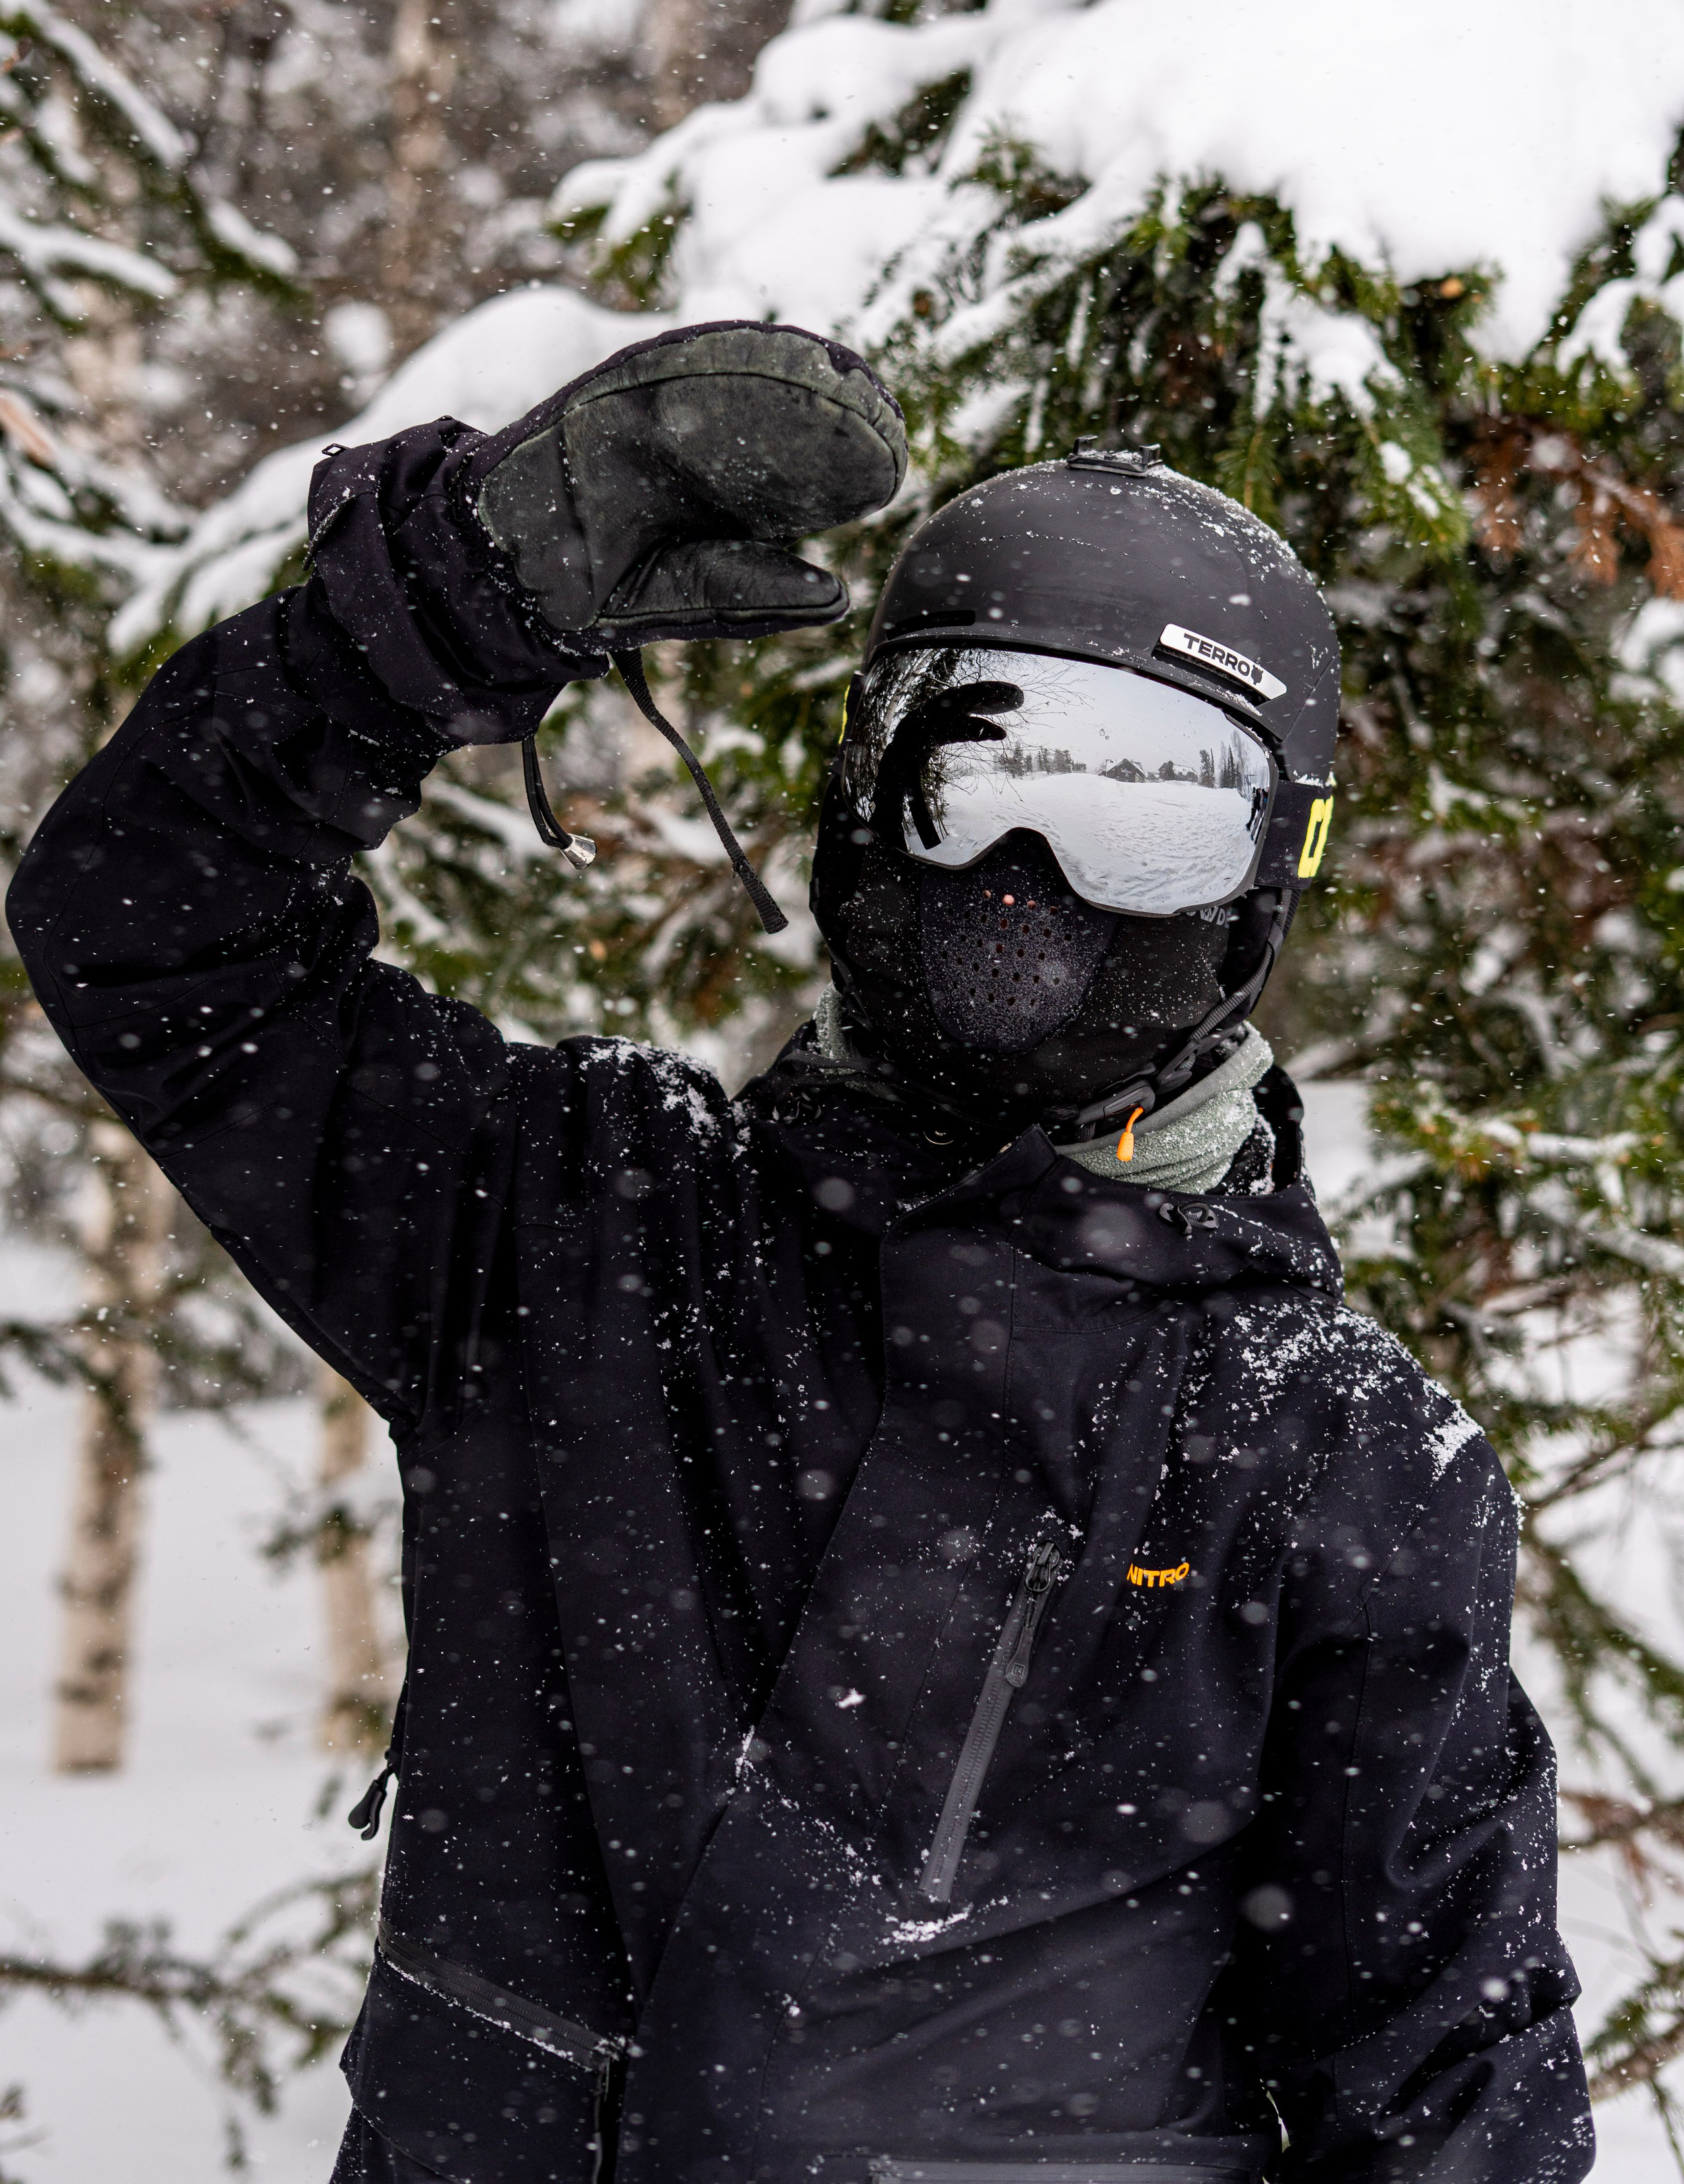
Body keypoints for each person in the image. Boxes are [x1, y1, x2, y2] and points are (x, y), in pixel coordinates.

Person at [9, 323, 1593, 2184]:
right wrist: (435, 618)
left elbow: (1444, 2097)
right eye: (971, 768)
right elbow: (151, 924)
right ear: (860, 795)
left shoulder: (1330, 1460)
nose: (1031, 880)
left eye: (1140, 814)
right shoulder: (580, 1230)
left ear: (1261, 886)